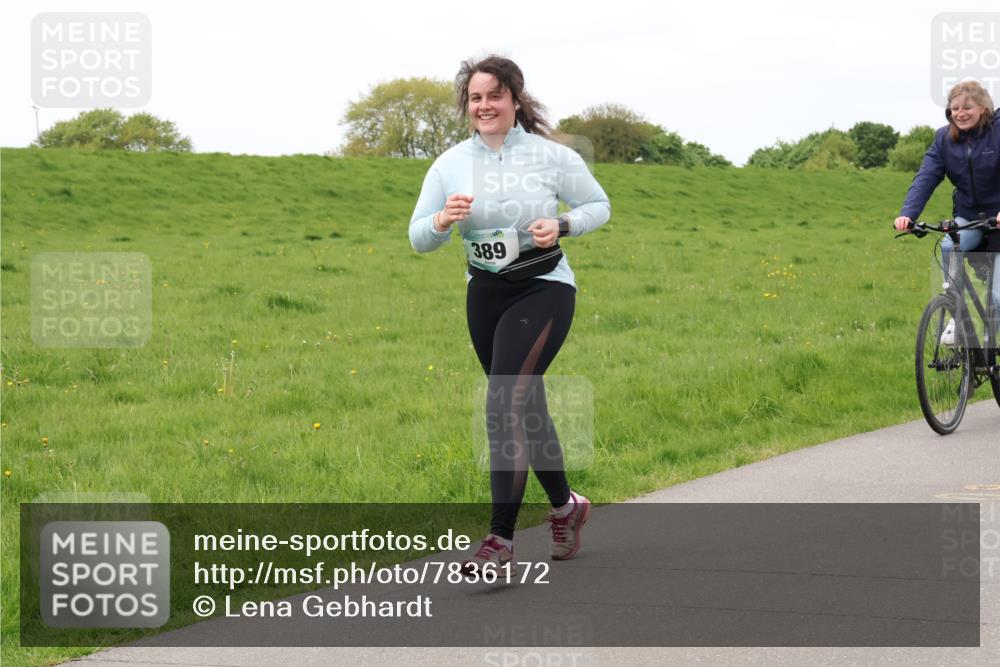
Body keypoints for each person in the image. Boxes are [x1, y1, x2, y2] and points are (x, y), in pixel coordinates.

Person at [409, 55, 611, 573]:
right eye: (475, 98)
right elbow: (418, 238)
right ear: (467, 106)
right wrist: (440, 219)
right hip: (486, 293)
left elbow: (598, 205)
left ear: (514, 100)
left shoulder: (550, 156)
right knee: (524, 406)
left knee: (502, 401)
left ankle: (500, 538)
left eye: (494, 95)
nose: (484, 105)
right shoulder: (449, 163)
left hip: (543, 287)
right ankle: (567, 506)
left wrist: (562, 226)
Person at [894, 80, 1000, 332]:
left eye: (967, 107)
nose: (960, 114)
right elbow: (926, 177)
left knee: (998, 297)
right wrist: (908, 214)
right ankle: (957, 316)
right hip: (970, 216)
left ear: (983, 108)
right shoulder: (944, 139)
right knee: (947, 244)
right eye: (955, 109)